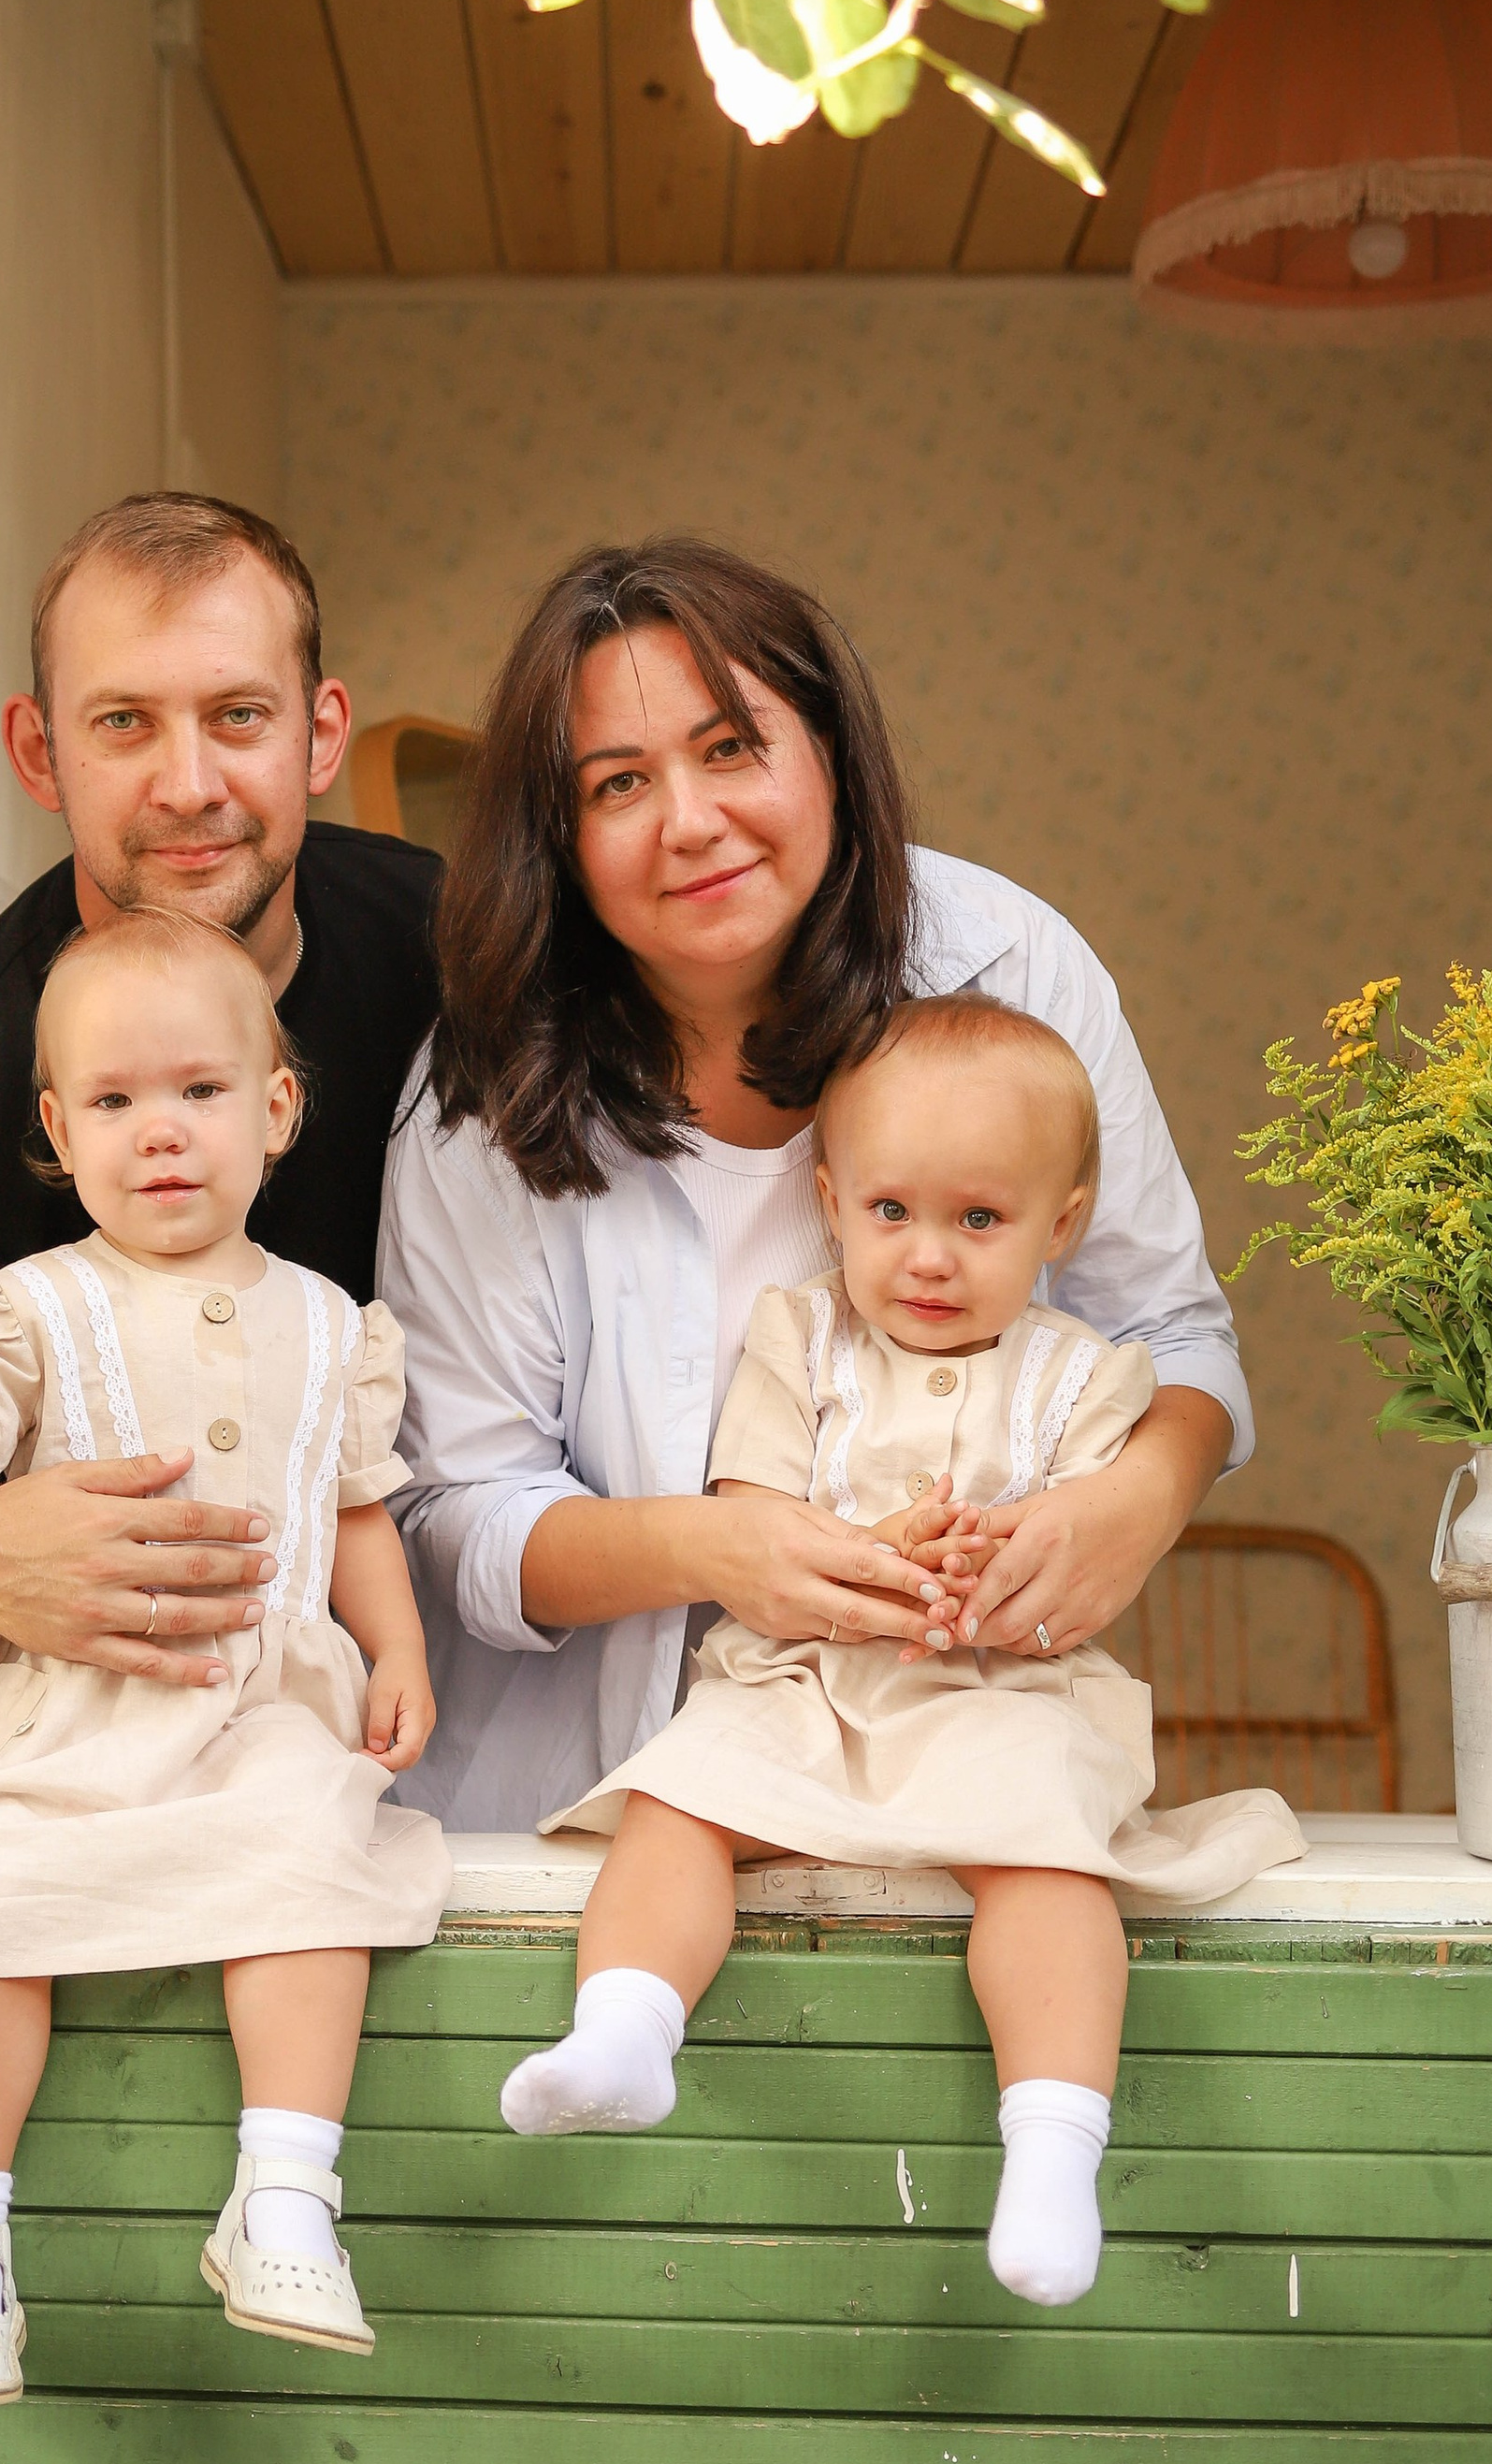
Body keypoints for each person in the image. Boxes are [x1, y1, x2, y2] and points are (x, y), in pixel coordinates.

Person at [380, 536, 1255, 1844]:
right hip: (576, 1819)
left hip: (942, 1781)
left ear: (831, 750)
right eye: (619, 783)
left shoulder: (1009, 967)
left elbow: (1170, 1332)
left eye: (732, 746)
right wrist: (717, 1550)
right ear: (559, 839)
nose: (689, 820)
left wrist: (1132, 1504)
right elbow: (454, 1513)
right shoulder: (484, 1083)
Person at [0, 912, 449, 2414]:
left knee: (313, 1871)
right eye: (112, 1103)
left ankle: (287, 2193)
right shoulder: (29, 1304)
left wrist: (400, 1650)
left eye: (198, 1092)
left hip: (263, 1714)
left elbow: (353, 1506)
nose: (159, 1133)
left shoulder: (336, 1324)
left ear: (278, 1108)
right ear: (57, 1128)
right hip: (76, 1719)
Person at [494, 994, 1301, 2304]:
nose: (928, 1255)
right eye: (892, 1213)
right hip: (805, 1673)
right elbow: (749, 1515)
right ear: (830, 1199)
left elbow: (1078, 1556)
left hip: (1000, 1688)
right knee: (675, 1804)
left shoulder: (1084, 1379)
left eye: (979, 1220)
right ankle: (627, 2028)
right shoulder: (796, 1337)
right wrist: (838, 1549)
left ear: (1061, 1227)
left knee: (1047, 1870)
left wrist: (999, 1556)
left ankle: (1051, 2150)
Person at [0, 493, 439, 1699]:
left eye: (238, 715)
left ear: (319, 736)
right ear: (39, 750)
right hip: (108, 1726)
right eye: (123, 723)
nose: (188, 783)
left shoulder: (456, 955)